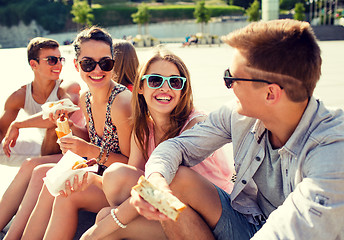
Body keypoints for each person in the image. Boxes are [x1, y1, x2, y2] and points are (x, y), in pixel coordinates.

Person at [130, 19, 344, 239]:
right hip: (251, 220)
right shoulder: (237, 114)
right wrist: (156, 183)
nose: (228, 86)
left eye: (232, 78)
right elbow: (178, 146)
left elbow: (292, 232)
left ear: (270, 94)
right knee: (172, 179)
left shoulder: (333, 150)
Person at [78, 46, 234, 239]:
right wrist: (92, 179)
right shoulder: (143, 129)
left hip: (215, 218)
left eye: (175, 82)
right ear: (141, 87)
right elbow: (136, 188)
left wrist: (96, 232)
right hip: (171, 212)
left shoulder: (196, 125)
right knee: (114, 178)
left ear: (183, 90)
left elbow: (156, 190)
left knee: (106, 223)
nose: (165, 88)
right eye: (155, 80)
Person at [2, 26, 133, 240]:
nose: (97, 70)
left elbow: (129, 165)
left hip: (119, 185)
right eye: (88, 63)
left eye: (105, 63)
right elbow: (95, 138)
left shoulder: (121, 102)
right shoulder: (86, 98)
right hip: (99, 173)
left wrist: (89, 150)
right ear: (76, 64)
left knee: (61, 191)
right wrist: (70, 127)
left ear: (113, 63)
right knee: (45, 177)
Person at [0, 37, 72, 157]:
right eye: (52, 60)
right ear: (34, 64)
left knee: (55, 127)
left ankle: (38, 166)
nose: (59, 65)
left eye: (60, 59)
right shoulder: (20, 96)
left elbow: (58, 115)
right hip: (44, 147)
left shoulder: (66, 87)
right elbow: (2, 131)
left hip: (71, 147)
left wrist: (18, 124)